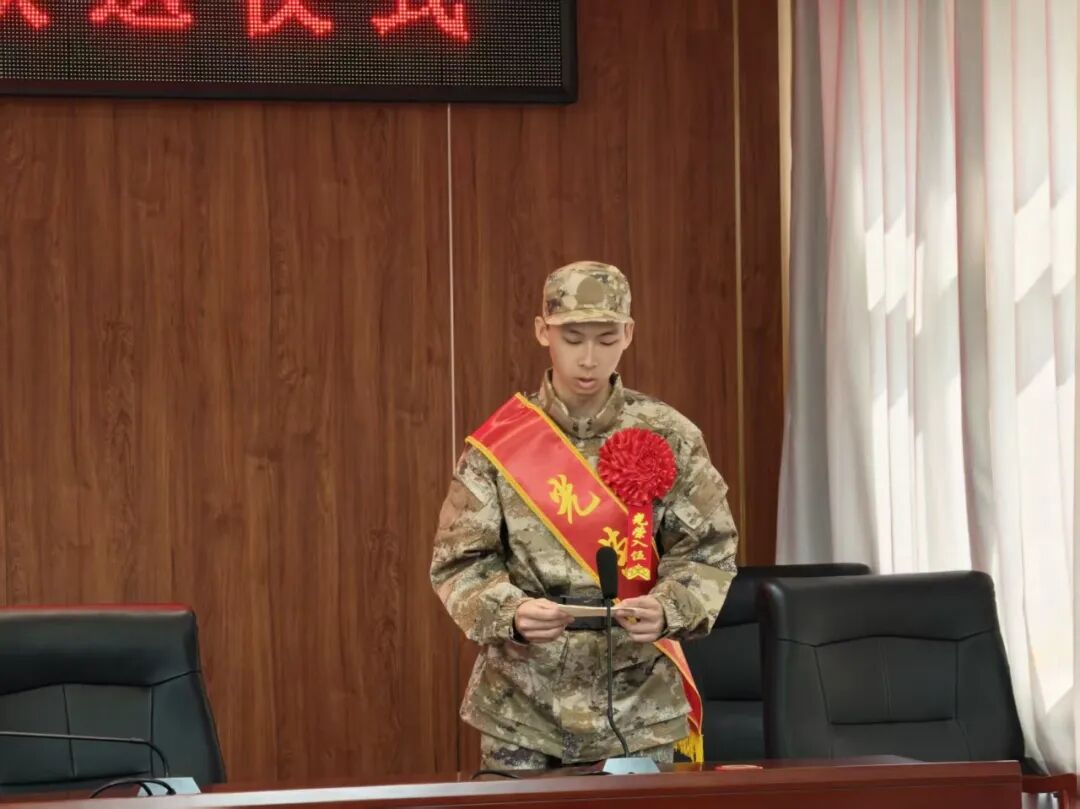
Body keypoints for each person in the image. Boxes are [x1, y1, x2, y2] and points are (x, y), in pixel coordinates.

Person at [430, 260, 738, 770]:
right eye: (572, 338)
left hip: (638, 705)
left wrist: (670, 607)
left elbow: (709, 551)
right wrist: (510, 612)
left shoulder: (671, 435)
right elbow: (458, 563)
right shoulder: (500, 444)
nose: (589, 358)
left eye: (606, 338)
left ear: (629, 334)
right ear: (542, 332)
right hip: (521, 707)